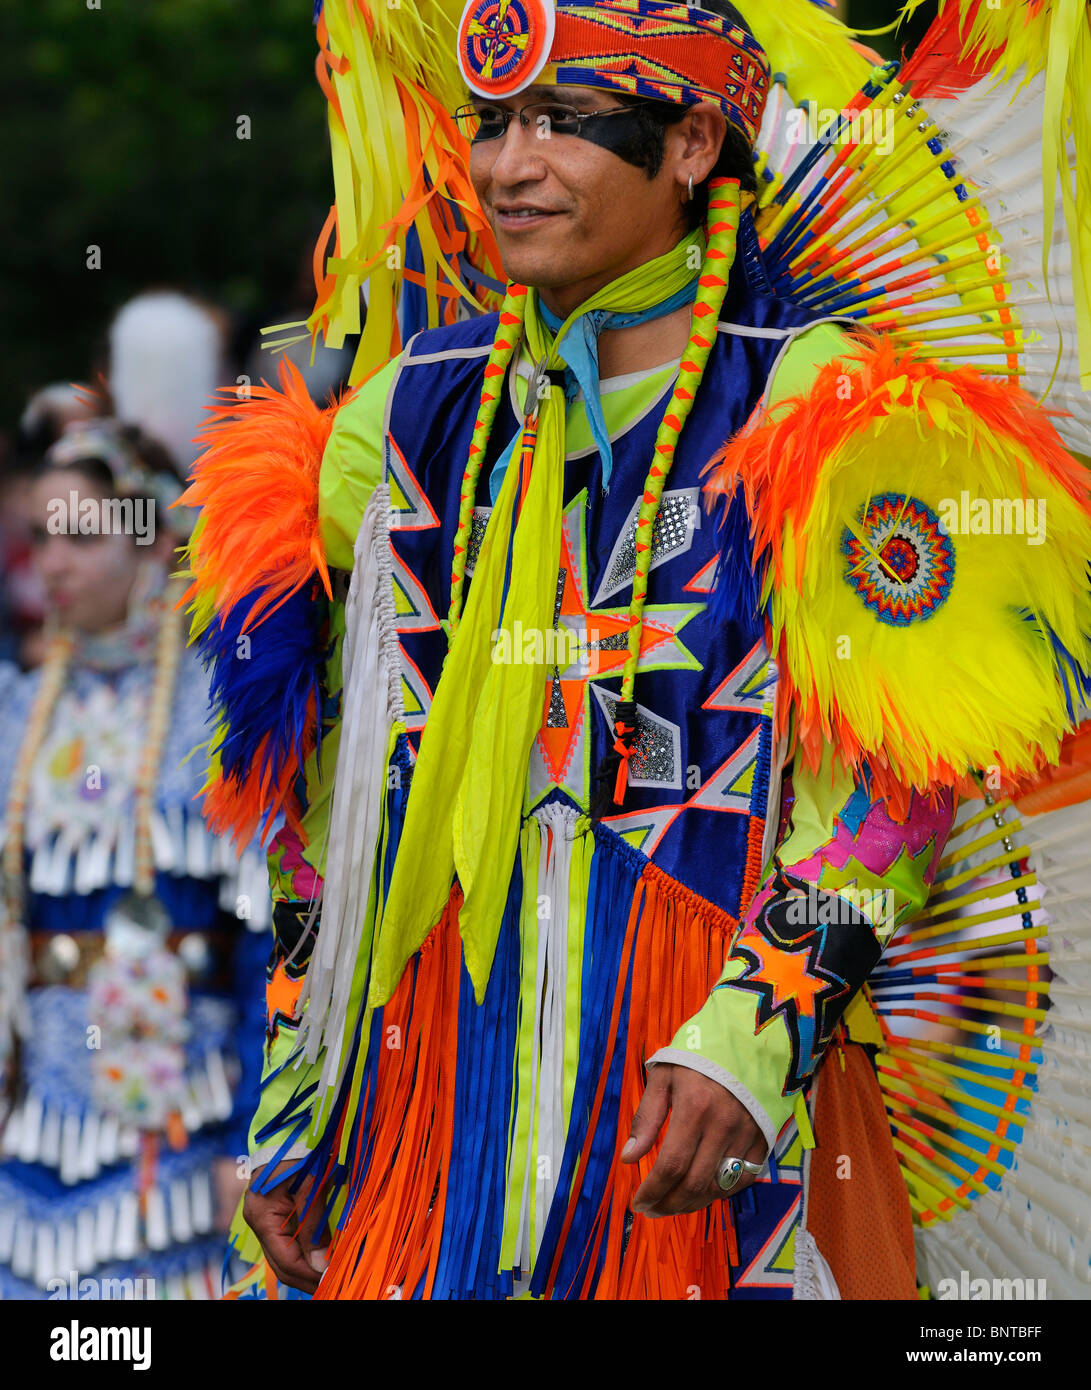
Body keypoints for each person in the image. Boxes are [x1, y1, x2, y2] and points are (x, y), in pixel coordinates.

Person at [181, 0, 1091, 1300]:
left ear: (691, 141)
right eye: (490, 124)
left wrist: (746, 1037)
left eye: (561, 123)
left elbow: (896, 783)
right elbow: (322, 815)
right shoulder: (395, 423)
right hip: (420, 1120)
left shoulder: (817, 409)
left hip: (697, 1118)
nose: (506, 165)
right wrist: (296, 1087)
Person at [0, 420, 270, 1299]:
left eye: (81, 533)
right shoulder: (16, 713)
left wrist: (248, 1140)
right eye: (41, 535)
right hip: (34, 1123)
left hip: (180, 1123)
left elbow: (267, 947)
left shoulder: (218, 713)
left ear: (153, 537)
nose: (54, 562)